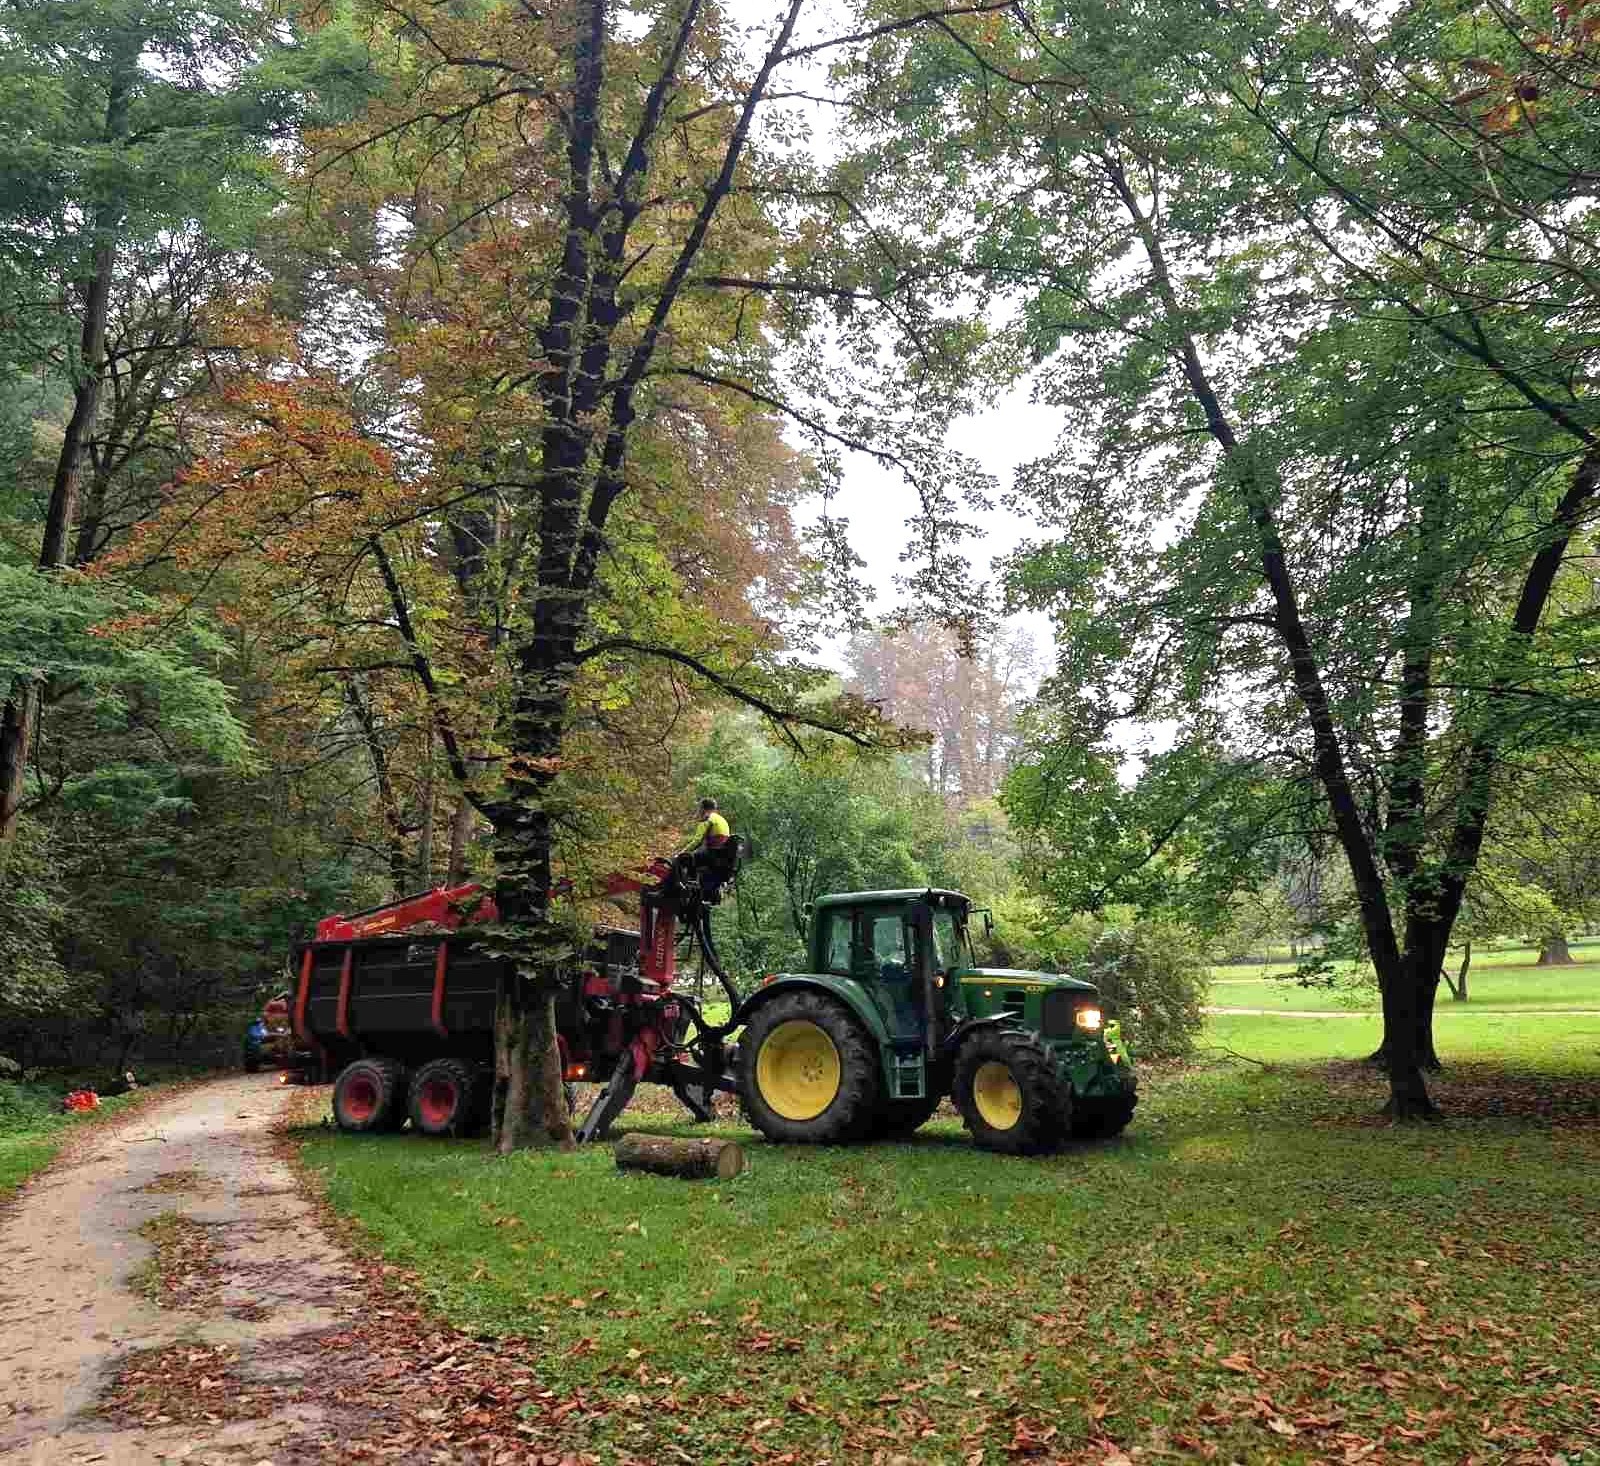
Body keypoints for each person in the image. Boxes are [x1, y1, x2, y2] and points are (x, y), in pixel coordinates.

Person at [678, 797, 733, 901]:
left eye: (699, 808)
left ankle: (689, 885)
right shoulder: (722, 820)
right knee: (697, 855)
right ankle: (696, 884)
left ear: (703, 808)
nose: (699, 811)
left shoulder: (707, 818)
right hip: (722, 856)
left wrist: (681, 852)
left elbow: (697, 841)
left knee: (685, 858)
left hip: (712, 853)